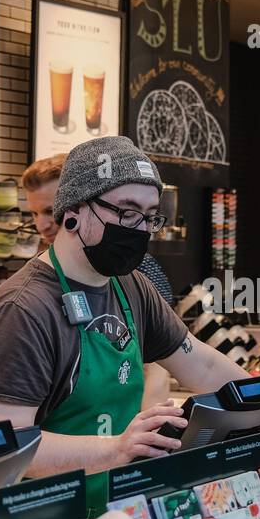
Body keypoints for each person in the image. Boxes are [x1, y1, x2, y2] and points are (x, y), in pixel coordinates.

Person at [0, 136, 260, 516]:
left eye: (149, 215)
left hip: (109, 518)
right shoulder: (21, 310)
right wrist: (116, 449)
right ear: (72, 211)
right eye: (126, 211)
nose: (139, 229)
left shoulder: (129, 286)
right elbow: (7, 447)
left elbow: (200, 365)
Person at [22, 152, 175, 408]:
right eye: (34, 213)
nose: (42, 224)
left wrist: (137, 434)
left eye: (50, 210)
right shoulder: (37, 278)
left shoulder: (134, 271)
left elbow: (159, 368)